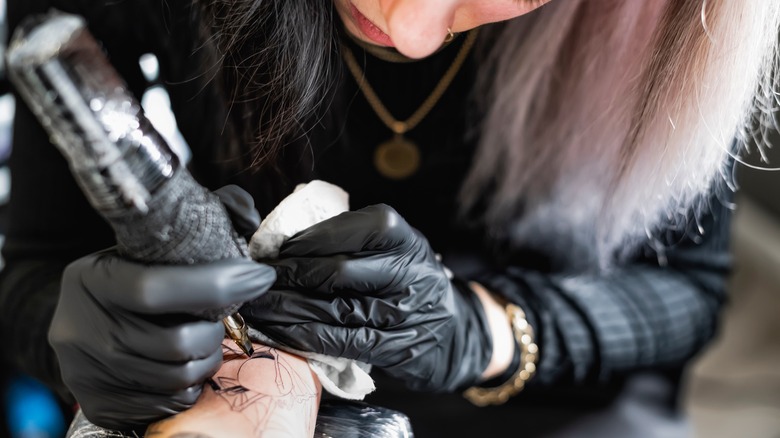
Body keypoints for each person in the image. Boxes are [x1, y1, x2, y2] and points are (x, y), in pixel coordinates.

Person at [1, 0, 778, 436]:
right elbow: (37, 267)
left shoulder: (675, 20)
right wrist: (71, 336)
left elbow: (688, 291)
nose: (407, 29)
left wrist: (484, 333)